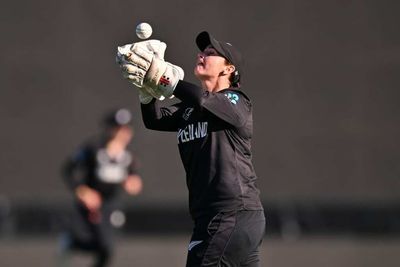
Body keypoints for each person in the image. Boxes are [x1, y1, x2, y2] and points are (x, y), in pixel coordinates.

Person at [116, 31, 265, 266]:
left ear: (228, 69)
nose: (202, 54)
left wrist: (164, 78)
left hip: (229, 214)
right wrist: (146, 91)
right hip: (217, 218)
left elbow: (204, 100)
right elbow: (154, 120)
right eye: (202, 51)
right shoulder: (190, 110)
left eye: (211, 53)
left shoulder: (237, 101)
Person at [60, 108, 143, 267]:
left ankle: (73, 243)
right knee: (92, 241)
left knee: (107, 247)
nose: (123, 133)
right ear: (109, 129)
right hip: (91, 205)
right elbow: (68, 170)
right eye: (118, 129)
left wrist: (133, 183)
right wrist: (83, 191)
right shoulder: (93, 149)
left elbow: (133, 178)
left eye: (126, 129)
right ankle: (70, 242)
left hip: (111, 205)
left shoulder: (127, 156)